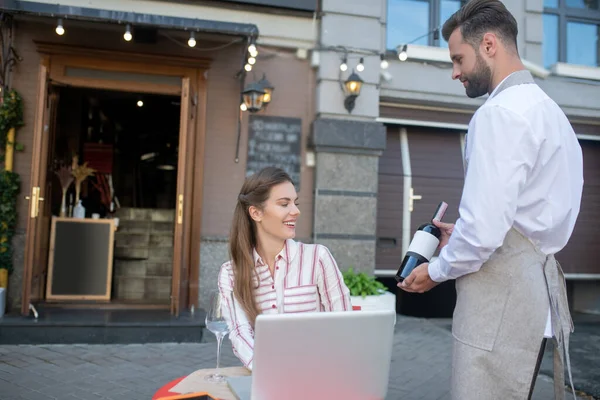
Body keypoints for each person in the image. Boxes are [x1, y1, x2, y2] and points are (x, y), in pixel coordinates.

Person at [398, 1, 582, 399]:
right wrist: (465, 234)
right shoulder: (554, 115)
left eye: (458, 59)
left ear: (489, 44)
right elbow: (519, 221)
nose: (455, 72)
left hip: (498, 303)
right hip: (535, 297)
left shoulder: (499, 114)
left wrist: (436, 271)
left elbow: (483, 231)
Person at [217, 166, 352, 370]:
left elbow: (344, 324)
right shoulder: (231, 273)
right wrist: (271, 372)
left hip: (319, 373)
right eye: (284, 204)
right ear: (255, 212)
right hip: (266, 376)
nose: (296, 211)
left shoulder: (318, 258)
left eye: (295, 203)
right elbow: (240, 332)